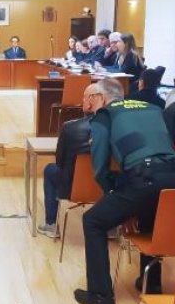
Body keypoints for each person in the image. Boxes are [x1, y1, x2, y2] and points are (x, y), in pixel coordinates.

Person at [76, 82, 175, 304]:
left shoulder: (105, 116)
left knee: (93, 221)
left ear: (100, 98)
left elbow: (99, 166)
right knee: (149, 218)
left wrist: (111, 192)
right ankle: (151, 284)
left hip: (145, 178)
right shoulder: (153, 107)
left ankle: (101, 296)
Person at [36, 80, 118, 238]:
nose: (82, 101)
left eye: (85, 97)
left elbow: (60, 161)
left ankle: (51, 224)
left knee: (50, 169)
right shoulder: (117, 126)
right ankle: (112, 227)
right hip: (107, 188)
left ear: (93, 100)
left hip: (72, 188)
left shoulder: (70, 128)